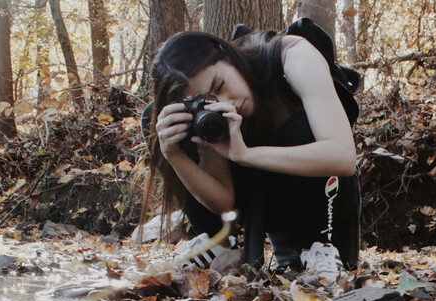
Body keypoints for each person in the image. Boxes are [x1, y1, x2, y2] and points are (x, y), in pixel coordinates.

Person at [142, 23, 361, 272]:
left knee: (301, 127)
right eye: (211, 101)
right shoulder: (212, 113)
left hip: (325, 202)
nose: (228, 104)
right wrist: (174, 155)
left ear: (225, 53)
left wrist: (246, 154)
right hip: (262, 202)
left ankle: (318, 247)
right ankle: (218, 244)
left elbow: (343, 156)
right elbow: (224, 203)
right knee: (156, 122)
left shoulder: (295, 57)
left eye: (220, 85)